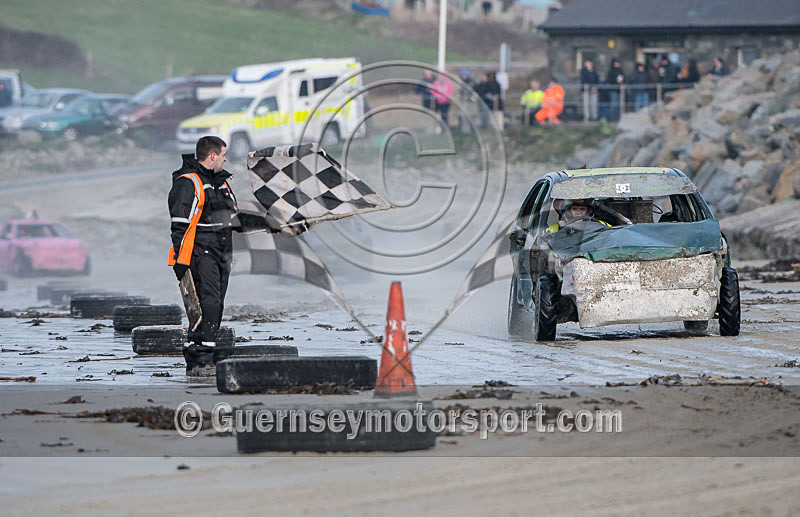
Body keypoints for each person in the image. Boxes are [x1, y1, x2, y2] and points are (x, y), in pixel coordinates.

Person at [168, 136, 281, 376]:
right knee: (208, 304)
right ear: (212, 156)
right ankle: (201, 360)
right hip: (200, 253)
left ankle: (198, 354)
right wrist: (180, 262)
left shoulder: (222, 183)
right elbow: (179, 226)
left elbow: (235, 219)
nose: (225, 158)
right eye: (222, 154)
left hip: (222, 252)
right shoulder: (187, 183)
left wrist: (270, 223)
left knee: (215, 305)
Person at [545, 199, 611, 234]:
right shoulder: (556, 228)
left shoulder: (601, 225)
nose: (578, 212)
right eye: (574, 209)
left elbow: (612, 234)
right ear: (568, 211)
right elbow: (543, 241)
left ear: (588, 211)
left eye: (582, 209)